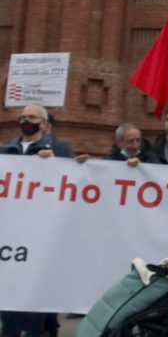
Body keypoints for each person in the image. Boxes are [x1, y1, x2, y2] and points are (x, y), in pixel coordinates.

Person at [1, 105, 72, 337]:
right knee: (10, 289)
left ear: (43, 123)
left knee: (37, 291)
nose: (25, 121)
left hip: (42, 233)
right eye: (22, 117)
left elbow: (73, 182)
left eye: (31, 117)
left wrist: (55, 163)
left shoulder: (60, 150)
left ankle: (40, 330)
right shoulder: (7, 151)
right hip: (12, 233)